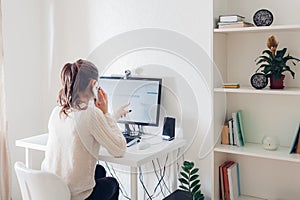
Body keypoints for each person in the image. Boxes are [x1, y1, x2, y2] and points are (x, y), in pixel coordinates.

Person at [41, 59, 129, 200]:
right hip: (75, 196)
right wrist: (106, 113)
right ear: (93, 84)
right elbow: (119, 149)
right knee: (112, 184)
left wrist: (108, 116)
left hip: (53, 190)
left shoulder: (57, 111)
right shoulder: (91, 113)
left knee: (99, 171)